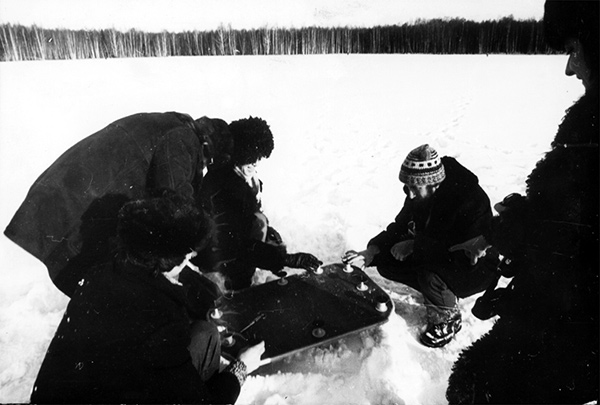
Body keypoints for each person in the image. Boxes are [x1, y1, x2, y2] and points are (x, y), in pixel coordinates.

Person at [446, 1, 598, 403]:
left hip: (576, 327)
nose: (570, 67)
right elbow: (560, 217)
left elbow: (571, 240)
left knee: (482, 386)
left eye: (577, 49)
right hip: (555, 311)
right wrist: (500, 235)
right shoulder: (586, 128)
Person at [30, 191, 265, 404]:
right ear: (171, 259)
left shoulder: (100, 274)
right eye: (187, 254)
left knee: (203, 334)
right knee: (204, 337)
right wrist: (240, 369)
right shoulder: (161, 321)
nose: (190, 258)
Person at [4, 112, 233, 297]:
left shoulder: (168, 124)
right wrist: (206, 244)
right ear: (205, 147)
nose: (202, 168)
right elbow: (175, 197)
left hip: (60, 195)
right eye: (206, 163)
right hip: (74, 205)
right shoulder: (184, 139)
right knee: (101, 292)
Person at [343, 144, 499, 348]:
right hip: (438, 253)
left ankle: (447, 317)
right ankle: (435, 290)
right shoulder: (419, 193)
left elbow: (465, 255)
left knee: (430, 276)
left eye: (415, 188)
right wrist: (372, 252)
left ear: (434, 184)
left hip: (476, 268)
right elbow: (401, 227)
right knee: (388, 260)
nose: (410, 195)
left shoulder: (470, 200)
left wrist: (416, 245)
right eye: (408, 187)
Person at [199, 116, 322, 290]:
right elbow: (235, 243)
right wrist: (284, 259)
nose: (255, 164)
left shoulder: (247, 180)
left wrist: (267, 235)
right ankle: (238, 287)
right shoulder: (227, 188)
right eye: (251, 159)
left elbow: (249, 220)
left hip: (232, 243)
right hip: (216, 252)